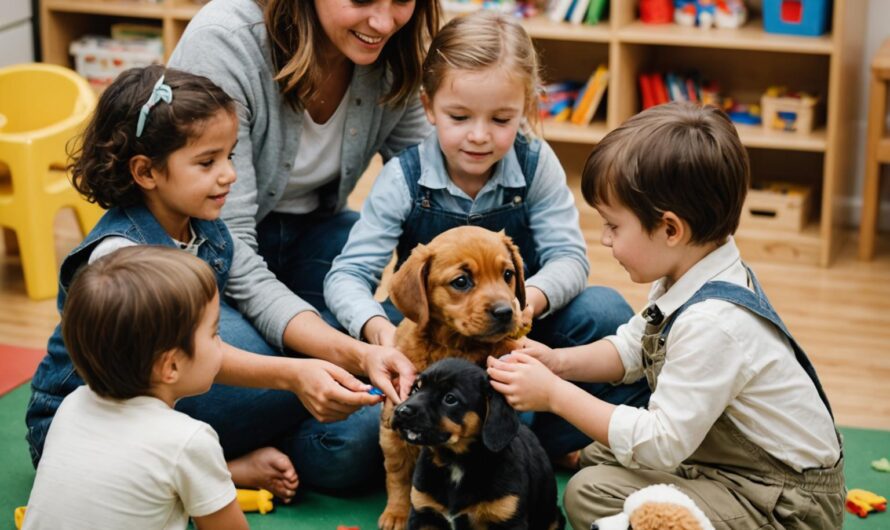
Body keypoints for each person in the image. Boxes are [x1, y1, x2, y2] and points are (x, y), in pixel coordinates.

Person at [25, 66, 406, 500]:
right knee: (282, 374)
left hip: (163, 405)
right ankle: (223, 467)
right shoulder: (120, 257)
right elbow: (186, 360)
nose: (229, 175)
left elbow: (243, 307)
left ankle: (237, 453)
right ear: (146, 172)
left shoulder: (203, 227)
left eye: (229, 156)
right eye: (208, 162)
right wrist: (299, 374)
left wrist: (355, 353)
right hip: (92, 438)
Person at [487, 102, 844, 529]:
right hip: (723, 465)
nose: (603, 239)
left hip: (784, 504)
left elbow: (660, 443)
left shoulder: (713, 322)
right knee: (600, 455)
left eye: (613, 226)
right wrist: (557, 363)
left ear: (671, 230)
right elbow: (630, 348)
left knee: (587, 495)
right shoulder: (686, 272)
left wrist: (554, 396)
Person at [324, 11, 650, 463]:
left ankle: (527, 434)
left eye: (501, 119)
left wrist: (523, 304)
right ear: (428, 107)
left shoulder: (535, 163)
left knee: (605, 311)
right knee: (343, 447)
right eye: (459, 116)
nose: (479, 136)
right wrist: (382, 336)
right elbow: (347, 275)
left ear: (527, 110)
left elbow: (570, 258)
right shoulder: (405, 175)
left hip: (512, 336)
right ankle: (510, 436)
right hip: (428, 340)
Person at [166, 0, 439, 333]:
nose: (383, 23)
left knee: (362, 261)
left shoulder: (397, 55)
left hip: (312, 234)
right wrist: (330, 344)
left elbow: (432, 197)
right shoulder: (225, 40)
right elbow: (228, 242)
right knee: (218, 359)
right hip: (206, 253)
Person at [24, 247, 247, 530]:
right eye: (214, 333)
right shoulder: (189, 440)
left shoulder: (71, 405)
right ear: (171, 367)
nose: (220, 342)